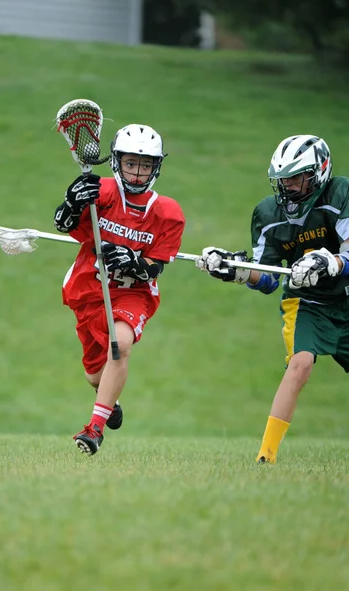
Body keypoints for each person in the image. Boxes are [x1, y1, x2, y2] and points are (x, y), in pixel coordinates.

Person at [195, 134, 349, 463]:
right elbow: (266, 278)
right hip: (307, 304)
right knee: (300, 363)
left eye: (296, 177)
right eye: (283, 179)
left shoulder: (341, 193)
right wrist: (233, 269)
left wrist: (330, 262)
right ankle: (266, 456)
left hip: (346, 297)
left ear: (318, 172)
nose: (288, 186)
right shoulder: (268, 213)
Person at [54, 124, 185, 456]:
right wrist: (71, 201)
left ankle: (94, 430)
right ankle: (108, 401)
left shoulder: (167, 212)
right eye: (131, 163)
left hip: (132, 293)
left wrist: (133, 261)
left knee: (120, 345)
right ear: (117, 162)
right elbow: (63, 224)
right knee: (94, 375)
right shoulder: (102, 193)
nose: (138, 173)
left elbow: (156, 266)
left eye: (145, 165)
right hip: (90, 290)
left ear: (156, 167)